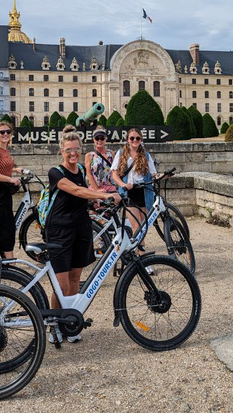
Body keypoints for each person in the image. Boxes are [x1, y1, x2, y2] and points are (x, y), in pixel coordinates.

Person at [46, 126, 121, 343]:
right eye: (68, 149)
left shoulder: (80, 168)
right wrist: (102, 194)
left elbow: (83, 195)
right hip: (59, 231)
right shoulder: (55, 172)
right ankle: (54, 325)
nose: (72, 153)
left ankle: (68, 323)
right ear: (61, 150)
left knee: (74, 279)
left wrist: (95, 200)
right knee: (60, 285)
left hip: (81, 228)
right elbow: (76, 191)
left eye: (76, 149)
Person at [111, 128, 157, 250]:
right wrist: (123, 185)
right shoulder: (121, 154)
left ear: (141, 140)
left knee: (143, 227)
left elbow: (153, 174)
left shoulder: (146, 155)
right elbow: (114, 174)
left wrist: (163, 176)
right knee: (137, 227)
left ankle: (137, 254)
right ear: (127, 140)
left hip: (144, 192)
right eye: (132, 138)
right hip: (129, 193)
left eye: (137, 138)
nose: (135, 140)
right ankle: (142, 260)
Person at [0, 121, 24, 258]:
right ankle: (9, 259)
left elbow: (2, 168)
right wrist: (10, 179)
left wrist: (16, 170)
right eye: (2, 132)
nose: (5, 134)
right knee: (6, 227)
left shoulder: (5, 150)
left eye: (8, 132)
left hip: (3, 191)